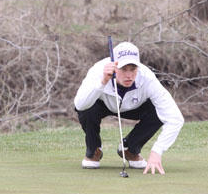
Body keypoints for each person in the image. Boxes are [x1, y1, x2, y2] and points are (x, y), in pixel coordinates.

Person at [74, 41, 184, 174]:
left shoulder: (147, 78)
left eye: (133, 69)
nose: (129, 75)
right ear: (115, 66)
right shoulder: (98, 71)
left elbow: (175, 118)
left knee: (159, 110)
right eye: (123, 69)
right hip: (102, 104)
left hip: (135, 106)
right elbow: (79, 105)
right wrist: (103, 82)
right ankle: (94, 150)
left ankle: (130, 148)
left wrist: (157, 152)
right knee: (87, 108)